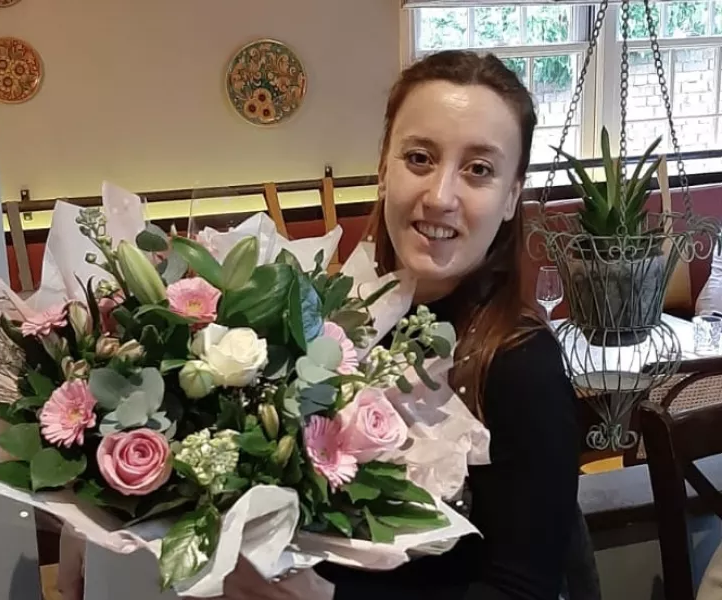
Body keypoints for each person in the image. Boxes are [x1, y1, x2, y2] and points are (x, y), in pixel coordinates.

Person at [60, 49, 583, 600]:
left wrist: (325, 598)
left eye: (479, 170)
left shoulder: (520, 366)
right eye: (419, 158)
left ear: (511, 196)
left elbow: (522, 590)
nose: (440, 196)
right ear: (383, 170)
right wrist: (103, 515)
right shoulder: (337, 314)